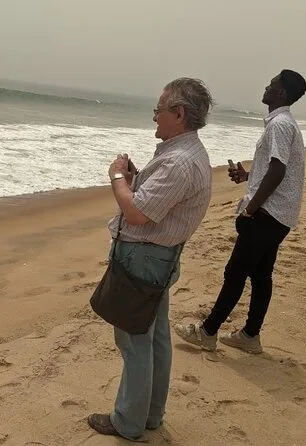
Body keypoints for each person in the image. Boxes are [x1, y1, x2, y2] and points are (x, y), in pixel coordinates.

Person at [87, 78, 213, 440]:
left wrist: (117, 177)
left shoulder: (179, 162)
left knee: (134, 341)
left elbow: (137, 213)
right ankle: (151, 414)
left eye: (159, 110)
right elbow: (157, 200)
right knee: (155, 336)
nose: (154, 116)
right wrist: (137, 178)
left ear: (179, 113)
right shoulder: (187, 155)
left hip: (144, 257)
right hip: (160, 258)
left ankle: (128, 421)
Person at [174, 69, 306, 354]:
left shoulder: (279, 124)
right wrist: (248, 176)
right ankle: (250, 336)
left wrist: (251, 207)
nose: (266, 87)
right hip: (281, 214)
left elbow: (278, 170)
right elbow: (275, 169)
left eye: (272, 84)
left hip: (268, 213)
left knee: (235, 272)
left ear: (281, 93)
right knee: (260, 275)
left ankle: (207, 332)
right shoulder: (285, 123)